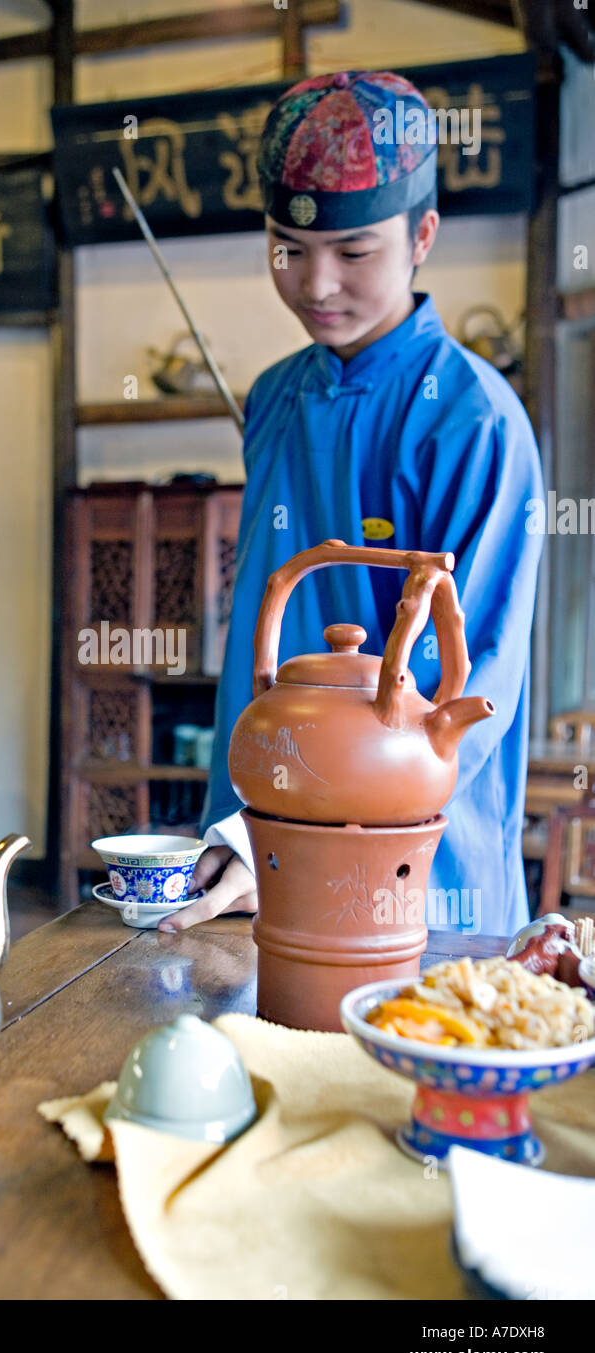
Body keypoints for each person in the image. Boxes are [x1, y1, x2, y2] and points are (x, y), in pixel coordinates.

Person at [160, 70, 544, 937]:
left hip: (411, 867)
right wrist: (246, 827)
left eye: (353, 252)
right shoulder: (273, 396)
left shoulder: (472, 419)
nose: (316, 284)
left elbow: (463, 691)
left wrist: (301, 831)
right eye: (287, 250)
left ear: (422, 236)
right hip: (250, 843)